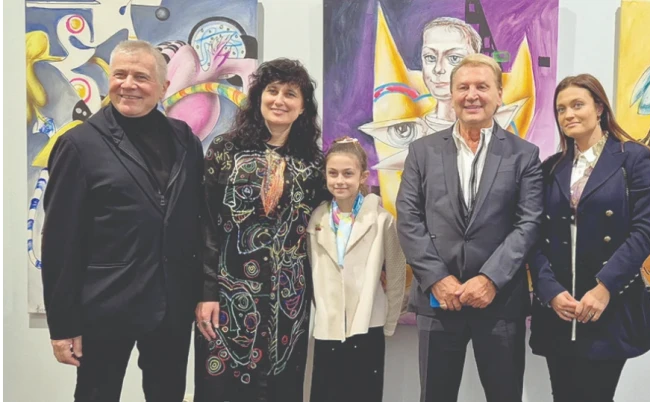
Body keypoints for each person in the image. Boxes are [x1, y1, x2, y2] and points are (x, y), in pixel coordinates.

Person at [41, 39, 204, 402]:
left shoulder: (185, 140)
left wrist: (203, 292)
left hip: (171, 308)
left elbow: (196, 222)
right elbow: (59, 243)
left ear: (163, 87)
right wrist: (62, 325)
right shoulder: (78, 145)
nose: (128, 84)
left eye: (141, 77)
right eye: (120, 75)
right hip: (104, 308)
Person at [396, 53, 543, 402]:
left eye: (482, 86)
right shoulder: (421, 151)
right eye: (463, 87)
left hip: (499, 301)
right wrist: (437, 278)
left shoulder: (524, 155)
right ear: (451, 94)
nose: (472, 95)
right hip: (439, 302)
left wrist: (490, 279)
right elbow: (409, 217)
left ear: (499, 94)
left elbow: (529, 222)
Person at [195, 58, 329, 402]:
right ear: (258, 98)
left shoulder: (313, 164)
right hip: (228, 294)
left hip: (289, 301)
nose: (280, 100)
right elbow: (205, 223)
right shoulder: (226, 151)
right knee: (221, 388)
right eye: (272, 91)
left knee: (281, 388)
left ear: (303, 107)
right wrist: (207, 292)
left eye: (291, 94)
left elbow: (326, 229)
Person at [528, 74, 650, 402]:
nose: (568, 115)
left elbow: (645, 231)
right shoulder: (550, 168)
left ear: (599, 108)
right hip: (559, 309)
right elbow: (534, 236)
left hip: (608, 305)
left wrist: (604, 288)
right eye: (561, 109)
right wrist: (549, 290)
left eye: (577, 105)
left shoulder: (632, 158)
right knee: (562, 396)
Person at [307, 137, 406, 402]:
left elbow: (397, 272)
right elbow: (312, 270)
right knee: (326, 394)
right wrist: (323, 309)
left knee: (363, 393)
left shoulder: (382, 220)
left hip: (368, 324)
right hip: (328, 325)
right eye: (333, 173)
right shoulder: (317, 219)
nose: (340, 180)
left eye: (348, 174)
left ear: (363, 176)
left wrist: (389, 322)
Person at [420, 17, 481, 132]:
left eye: (454, 58)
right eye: (430, 57)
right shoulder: (413, 131)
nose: (438, 69)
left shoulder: (490, 127)